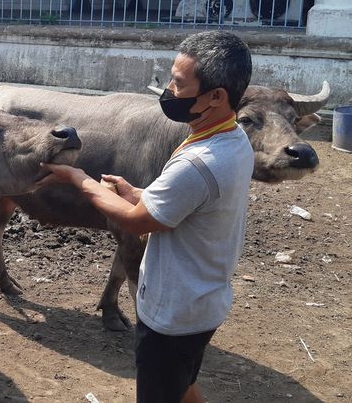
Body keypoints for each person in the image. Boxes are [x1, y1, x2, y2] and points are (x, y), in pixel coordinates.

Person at [38, 31, 253, 403]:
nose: (169, 89)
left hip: (173, 314)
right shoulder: (231, 140)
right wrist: (139, 193)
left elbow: (136, 222)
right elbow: (181, 204)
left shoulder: (197, 163)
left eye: (179, 83)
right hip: (204, 301)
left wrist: (79, 179)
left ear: (216, 96)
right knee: (182, 384)